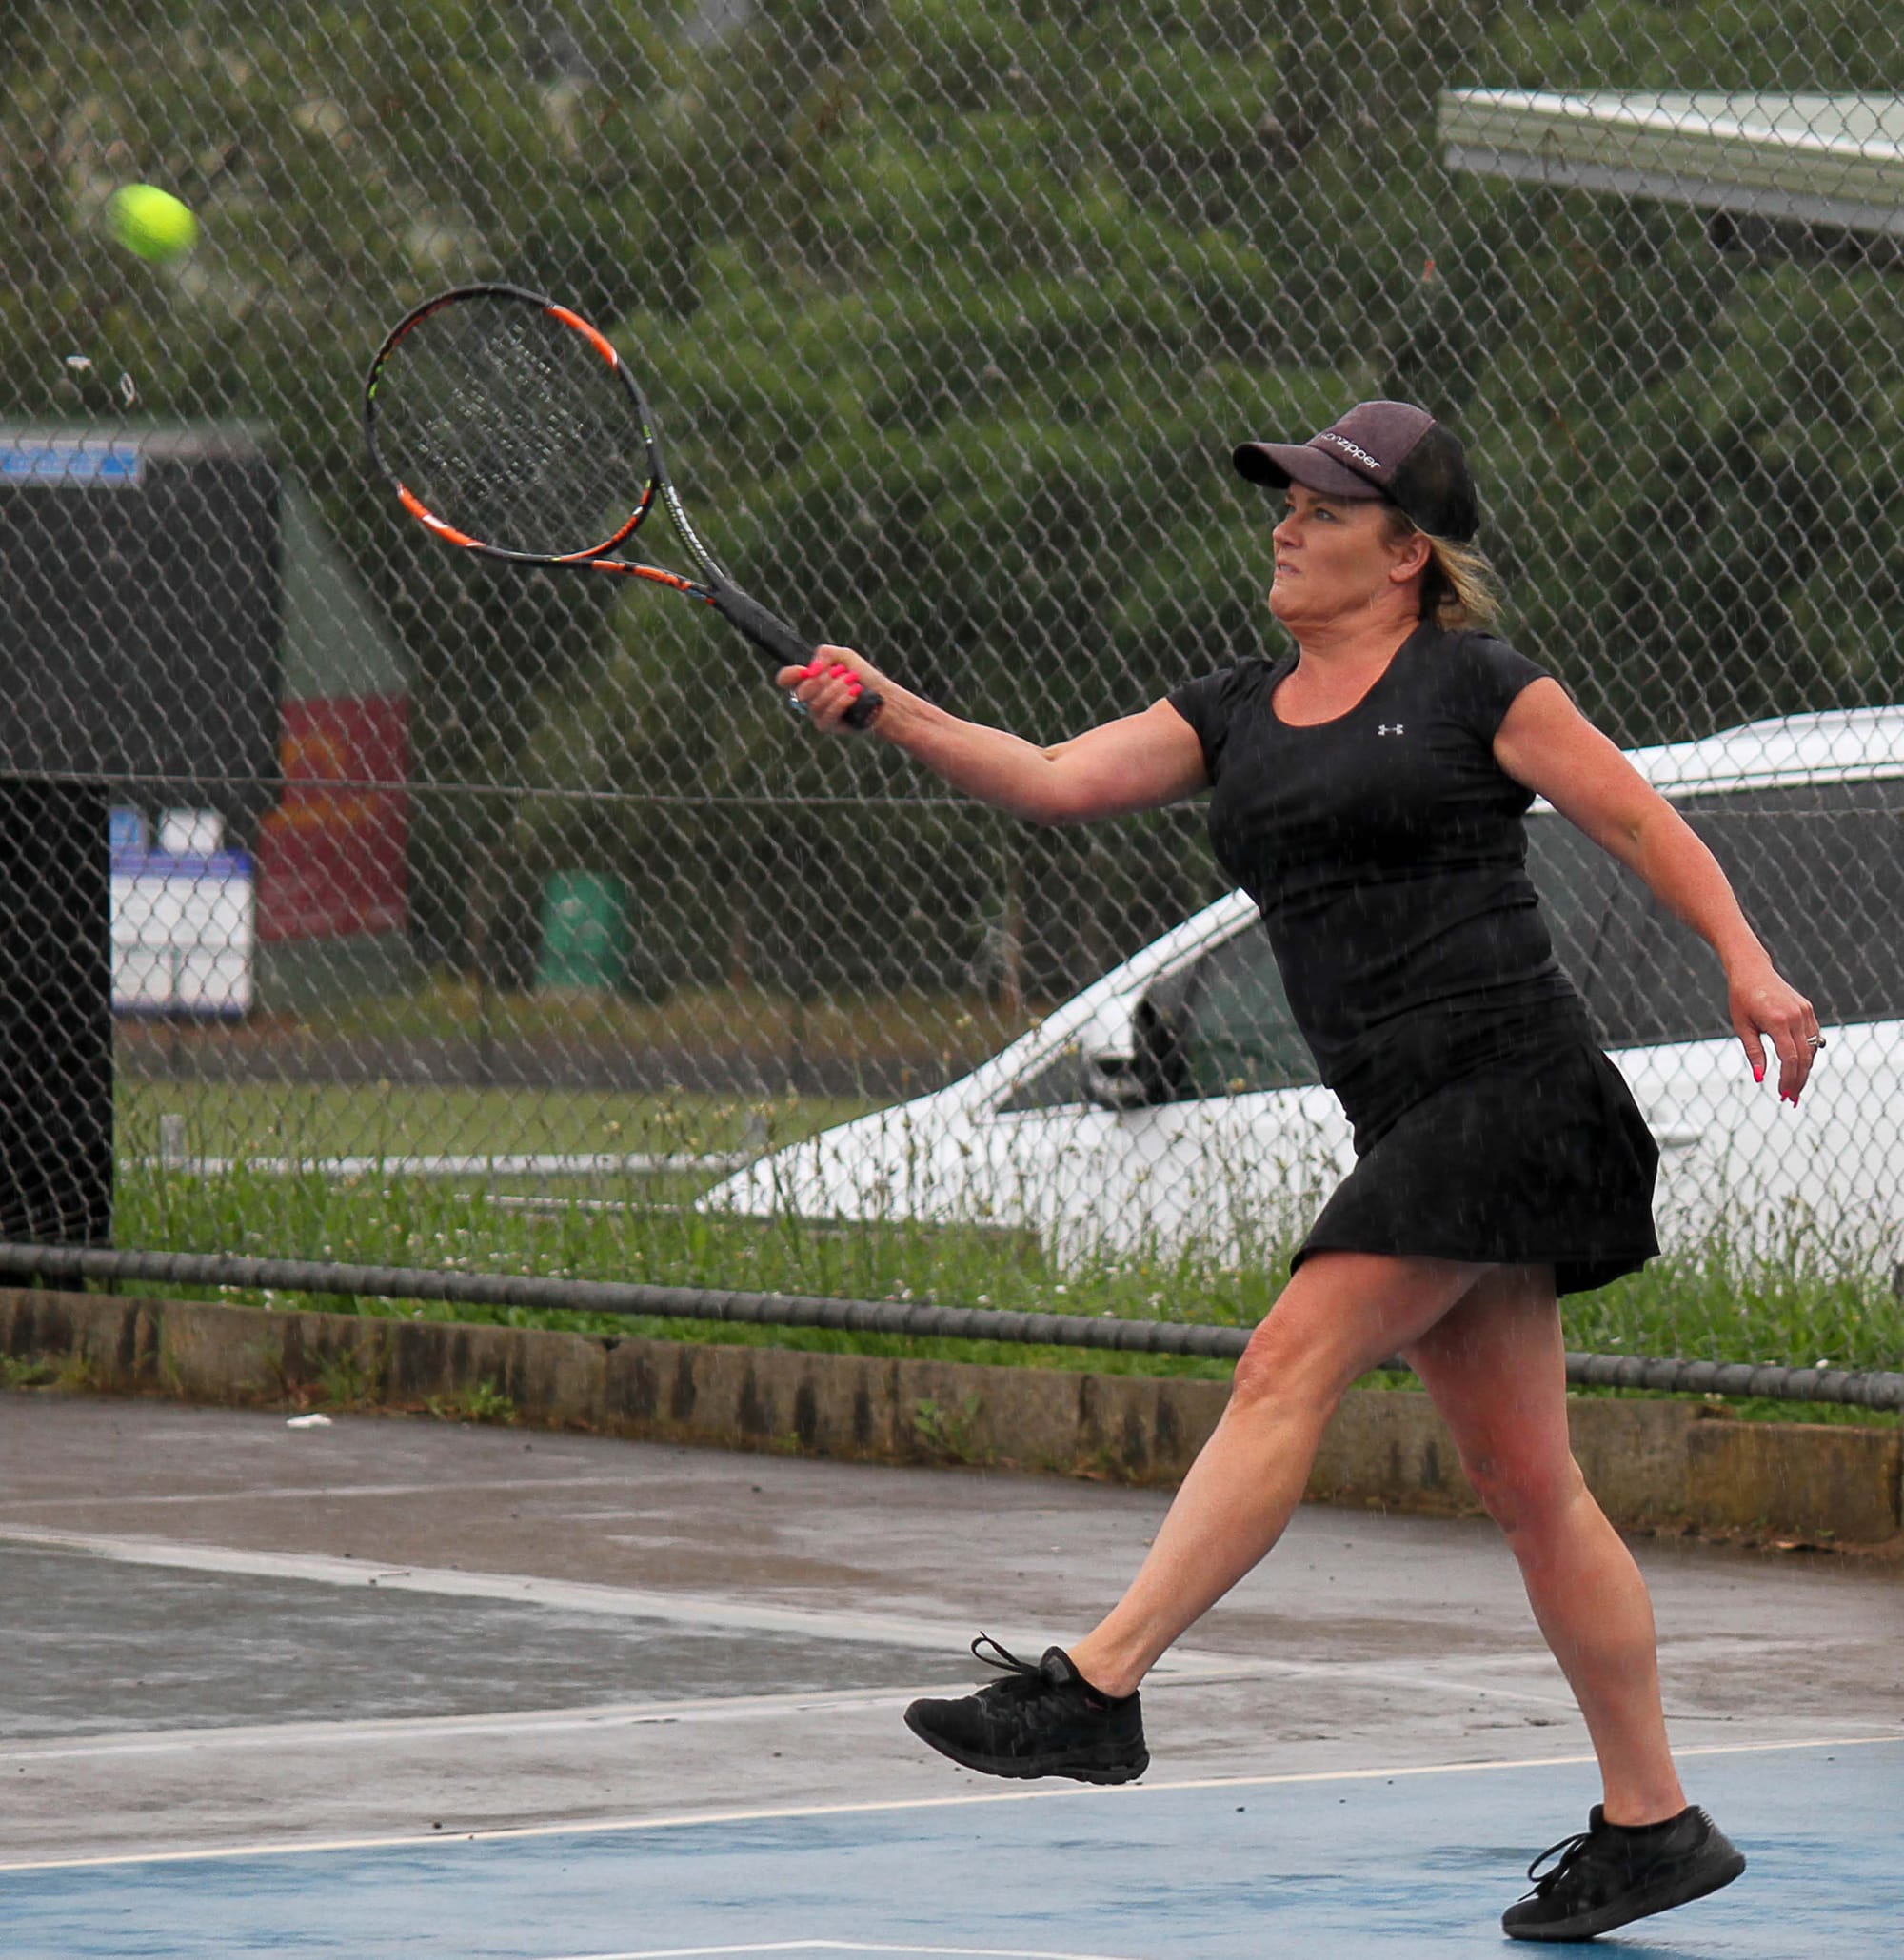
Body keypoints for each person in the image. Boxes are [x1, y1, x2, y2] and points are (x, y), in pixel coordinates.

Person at [778, 400, 1823, 1943]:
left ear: (1407, 554)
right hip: (1407, 1118)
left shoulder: (1478, 684)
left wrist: (1748, 961)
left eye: (1325, 510)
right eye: (1284, 502)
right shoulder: (1238, 708)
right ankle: (1653, 1820)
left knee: (1291, 1356)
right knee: (1529, 1486)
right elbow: (1058, 778)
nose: (1286, 523)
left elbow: (1633, 817)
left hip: (1513, 1089)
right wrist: (889, 709)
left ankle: (1104, 1686)